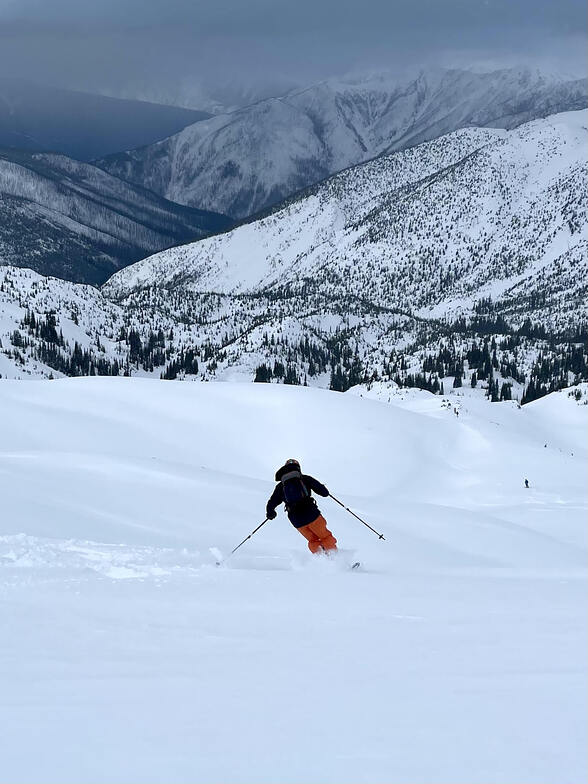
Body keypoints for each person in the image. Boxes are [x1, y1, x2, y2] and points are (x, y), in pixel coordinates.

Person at [266, 459, 337, 554]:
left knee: (313, 541)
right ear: (298, 468)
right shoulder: (305, 478)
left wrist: (271, 513)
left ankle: (322, 561)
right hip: (312, 514)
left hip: (297, 521)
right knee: (325, 537)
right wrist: (324, 490)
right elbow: (324, 492)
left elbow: (272, 502)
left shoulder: (280, 486)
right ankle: (336, 559)